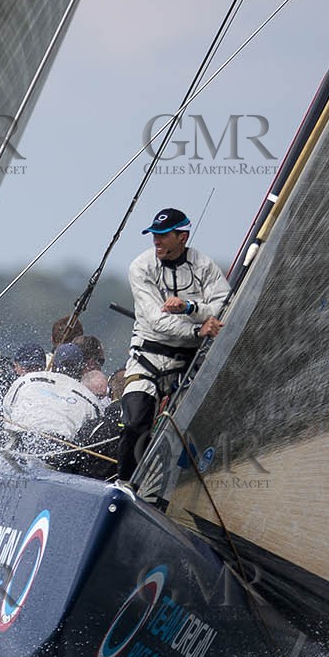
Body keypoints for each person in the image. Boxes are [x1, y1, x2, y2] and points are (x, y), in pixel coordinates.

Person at [116, 207, 229, 487]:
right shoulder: (140, 267)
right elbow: (156, 321)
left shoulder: (203, 266)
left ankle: (171, 492)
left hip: (189, 362)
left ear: (182, 236)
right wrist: (197, 328)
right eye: (154, 235)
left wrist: (190, 306)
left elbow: (223, 306)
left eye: (163, 236)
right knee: (134, 424)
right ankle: (124, 487)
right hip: (147, 355)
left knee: (192, 434)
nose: (156, 241)